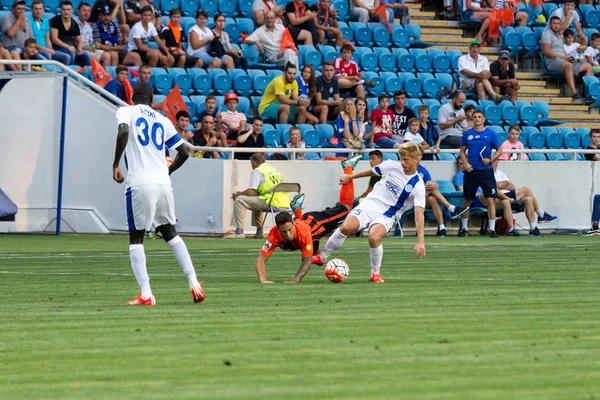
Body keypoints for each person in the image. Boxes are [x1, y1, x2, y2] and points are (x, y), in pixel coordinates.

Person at [112, 82, 206, 306]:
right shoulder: (163, 120)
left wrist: (115, 163)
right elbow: (184, 152)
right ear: (151, 99)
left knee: (136, 238)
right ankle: (194, 284)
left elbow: (124, 130)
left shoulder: (126, 110)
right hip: (163, 183)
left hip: (140, 182)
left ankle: (146, 293)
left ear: (133, 96)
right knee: (170, 233)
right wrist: (168, 171)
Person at [312, 143, 426, 284]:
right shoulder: (392, 165)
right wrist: (351, 177)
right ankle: (322, 257)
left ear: (416, 159)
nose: (402, 162)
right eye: (401, 159)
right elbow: (372, 171)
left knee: (373, 237)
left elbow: (419, 214)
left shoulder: (418, 185)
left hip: (388, 214)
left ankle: (375, 274)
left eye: (406, 160)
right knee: (346, 227)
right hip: (370, 203)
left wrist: (420, 241)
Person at [255, 154, 363, 283]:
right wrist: (263, 280)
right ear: (277, 229)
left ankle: (348, 168)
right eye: (284, 232)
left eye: (289, 230)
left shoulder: (303, 233)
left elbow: (306, 260)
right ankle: (298, 212)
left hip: (316, 223)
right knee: (319, 260)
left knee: (347, 208)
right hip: (304, 225)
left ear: (293, 224)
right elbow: (260, 259)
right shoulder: (273, 235)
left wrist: (295, 280)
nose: (288, 234)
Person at [456, 110, 504, 238]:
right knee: (467, 200)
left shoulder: (490, 133)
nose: (477, 119)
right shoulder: (468, 134)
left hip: (486, 171)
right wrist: (466, 163)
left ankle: (492, 229)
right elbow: (462, 151)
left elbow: (500, 150)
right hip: (471, 171)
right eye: (475, 117)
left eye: (479, 117)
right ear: (472, 119)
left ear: (484, 119)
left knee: (490, 199)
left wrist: (491, 159)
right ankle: (464, 228)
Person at [229, 153, 290, 239]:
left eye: (251, 163)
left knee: (239, 200)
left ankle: (239, 232)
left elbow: (251, 192)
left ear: (254, 162)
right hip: (283, 202)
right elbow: (256, 192)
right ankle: (259, 232)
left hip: (271, 202)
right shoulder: (273, 170)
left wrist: (238, 194)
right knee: (256, 199)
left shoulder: (258, 171)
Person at [493, 160, 557, 236]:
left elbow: (512, 187)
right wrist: (506, 183)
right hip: (500, 197)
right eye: (492, 161)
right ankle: (541, 214)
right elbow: (497, 186)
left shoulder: (500, 173)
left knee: (528, 199)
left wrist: (504, 184)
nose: (494, 163)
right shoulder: (489, 173)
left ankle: (532, 229)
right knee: (527, 189)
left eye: (496, 161)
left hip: (509, 194)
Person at [542, 15, 593, 100]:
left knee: (588, 66)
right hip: (552, 61)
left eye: (558, 23)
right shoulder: (546, 34)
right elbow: (546, 52)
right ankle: (574, 92)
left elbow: (562, 50)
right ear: (550, 24)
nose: (556, 25)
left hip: (563, 60)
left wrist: (568, 57)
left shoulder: (559, 35)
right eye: (554, 23)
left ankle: (588, 93)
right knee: (568, 65)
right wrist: (562, 57)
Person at [50, 1, 92, 66]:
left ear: (72, 10)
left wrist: (79, 48)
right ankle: (71, 74)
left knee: (87, 54)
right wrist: (68, 47)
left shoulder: (74, 23)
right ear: (60, 10)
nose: (66, 12)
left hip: (70, 47)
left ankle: (86, 74)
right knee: (71, 53)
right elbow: (54, 39)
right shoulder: (55, 21)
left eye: (68, 10)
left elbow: (80, 40)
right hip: (58, 47)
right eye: (64, 9)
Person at [1, 0, 41, 67]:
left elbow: (31, 38)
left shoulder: (26, 20)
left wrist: (35, 49)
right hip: (11, 47)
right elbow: (11, 33)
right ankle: (20, 73)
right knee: (17, 51)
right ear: (13, 9)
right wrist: (19, 20)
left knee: (43, 56)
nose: (22, 11)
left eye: (23, 9)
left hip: (26, 48)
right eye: (19, 9)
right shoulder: (6, 18)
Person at [29, 0, 71, 64]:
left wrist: (51, 49)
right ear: (31, 10)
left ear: (43, 10)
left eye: (40, 9)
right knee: (47, 55)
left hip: (46, 49)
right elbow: (31, 42)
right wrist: (46, 50)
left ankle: (63, 74)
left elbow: (47, 38)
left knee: (66, 57)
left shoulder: (45, 21)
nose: (38, 11)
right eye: (36, 9)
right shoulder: (28, 21)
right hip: (35, 50)